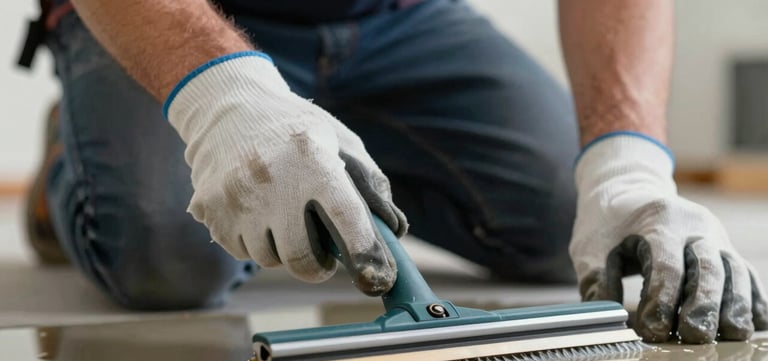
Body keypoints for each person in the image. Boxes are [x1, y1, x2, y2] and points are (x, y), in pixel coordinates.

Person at [19, 0, 768, 343]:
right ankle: (74, 160)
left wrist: (628, 166)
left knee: (561, 226)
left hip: (393, 19)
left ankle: (333, 154)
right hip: (173, 14)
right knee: (165, 258)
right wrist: (224, 103)